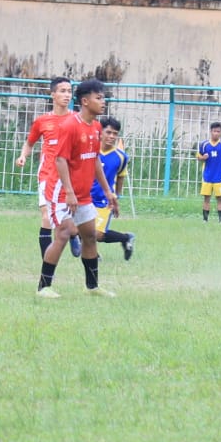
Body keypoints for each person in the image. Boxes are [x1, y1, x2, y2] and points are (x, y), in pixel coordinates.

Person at [37, 79, 118, 298]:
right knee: (63, 234)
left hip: (83, 194)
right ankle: (44, 287)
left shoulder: (96, 127)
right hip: (62, 192)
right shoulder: (70, 125)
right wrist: (70, 192)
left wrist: (108, 191)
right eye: (98, 98)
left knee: (90, 236)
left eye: (103, 97)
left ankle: (92, 286)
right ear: (85, 101)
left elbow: (94, 161)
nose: (103, 101)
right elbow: (60, 160)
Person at [17, 77, 80, 258]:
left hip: (70, 176)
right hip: (47, 175)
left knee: (68, 217)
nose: (67, 95)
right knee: (46, 216)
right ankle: (47, 259)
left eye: (69, 91)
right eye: (62, 91)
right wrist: (23, 156)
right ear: (53, 95)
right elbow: (29, 143)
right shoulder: (42, 121)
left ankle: (74, 234)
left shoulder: (76, 119)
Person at [90, 116, 135, 261]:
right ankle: (93, 255)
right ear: (100, 132)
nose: (112, 136)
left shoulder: (121, 157)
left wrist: (117, 197)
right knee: (75, 228)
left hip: (105, 200)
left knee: (98, 235)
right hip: (85, 197)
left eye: (115, 134)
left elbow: (120, 177)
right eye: (108, 132)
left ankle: (125, 238)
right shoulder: (90, 151)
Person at [197, 122, 221, 222]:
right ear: (211, 131)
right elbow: (198, 157)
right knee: (206, 198)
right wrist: (202, 157)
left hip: (219, 176)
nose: (216, 133)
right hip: (207, 176)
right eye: (214, 131)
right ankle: (205, 220)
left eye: (218, 131)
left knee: (219, 198)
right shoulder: (204, 144)